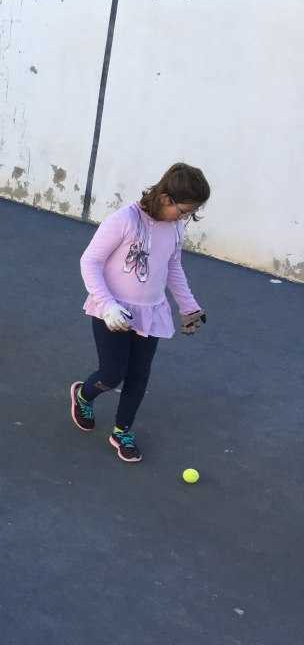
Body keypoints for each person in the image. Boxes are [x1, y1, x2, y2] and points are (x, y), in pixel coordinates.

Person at [70, 163, 210, 462]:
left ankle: (122, 431)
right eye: (183, 210)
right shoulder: (124, 220)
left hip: (151, 313)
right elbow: (89, 261)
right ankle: (84, 394)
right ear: (165, 198)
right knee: (111, 374)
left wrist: (189, 307)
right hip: (113, 310)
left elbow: (173, 267)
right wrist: (107, 304)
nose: (185, 217)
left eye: (190, 213)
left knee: (138, 376)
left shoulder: (174, 228)